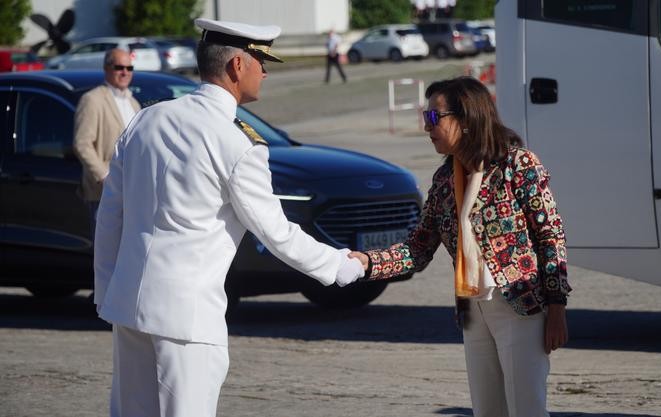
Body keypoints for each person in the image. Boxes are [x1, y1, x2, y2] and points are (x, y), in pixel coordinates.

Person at [93, 18, 365, 417]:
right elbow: (277, 233)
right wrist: (341, 266)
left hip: (130, 306)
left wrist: (107, 293)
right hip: (187, 317)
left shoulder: (145, 120)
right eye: (262, 62)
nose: (266, 73)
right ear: (238, 67)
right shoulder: (236, 143)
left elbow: (109, 216)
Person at [350, 76, 571, 417]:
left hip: (520, 305)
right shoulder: (443, 180)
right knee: (486, 411)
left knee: (527, 409)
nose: (427, 127)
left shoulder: (518, 164)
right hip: (471, 310)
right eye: (426, 118)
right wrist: (366, 262)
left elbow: (550, 237)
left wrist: (556, 307)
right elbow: (417, 248)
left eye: (434, 118)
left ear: (466, 118)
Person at [73, 48, 141, 235]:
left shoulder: (133, 103)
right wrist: (105, 176)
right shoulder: (92, 100)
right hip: (103, 193)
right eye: (119, 67)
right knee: (105, 256)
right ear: (106, 68)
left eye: (129, 67)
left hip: (132, 191)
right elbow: (82, 143)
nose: (125, 72)